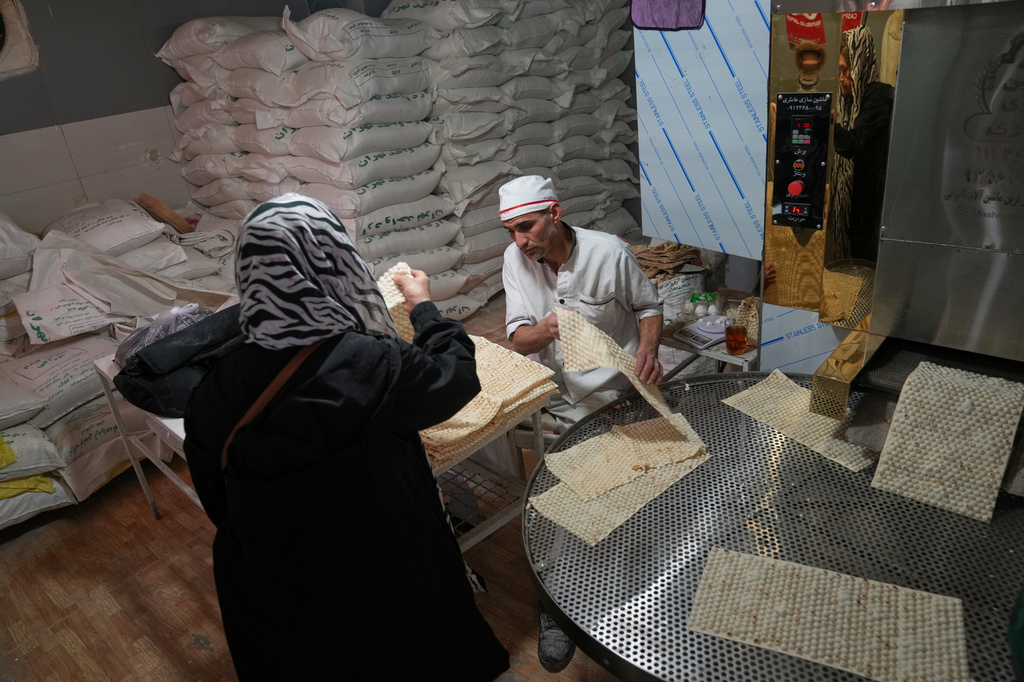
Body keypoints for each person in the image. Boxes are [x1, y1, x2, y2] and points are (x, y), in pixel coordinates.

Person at [183, 194, 509, 681]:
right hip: (387, 573)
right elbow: (455, 381)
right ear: (332, 262)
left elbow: (218, 499)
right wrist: (423, 309)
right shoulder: (368, 362)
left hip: (283, 595)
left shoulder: (216, 389)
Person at [499, 175, 664, 671]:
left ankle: (632, 588)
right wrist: (544, 328)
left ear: (554, 212)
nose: (519, 241)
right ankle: (556, 603)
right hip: (559, 398)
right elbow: (518, 340)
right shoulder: (515, 262)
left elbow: (648, 307)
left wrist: (650, 349)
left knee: (627, 495)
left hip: (617, 391)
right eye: (511, 231)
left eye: (526, 227)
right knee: (562, 498)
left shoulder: (609, 253)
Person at [829, 25, 894, 263]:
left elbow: (854, 144)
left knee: (862, 264)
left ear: (859, 67)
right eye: (839, 71)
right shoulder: (852, 102)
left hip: (872, 208)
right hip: (856, 208)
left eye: (845, 70)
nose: (842, 78)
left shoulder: (878, 98)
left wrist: (827, 120)